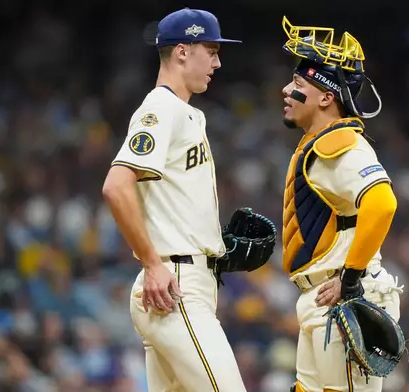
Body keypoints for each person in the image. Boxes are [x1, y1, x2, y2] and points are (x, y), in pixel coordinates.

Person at [101, 8, 247, 392]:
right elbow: (116, 186)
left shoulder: (185, 112)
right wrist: (151, 263)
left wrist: (216, 247)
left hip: (186, 278)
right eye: (210, 50)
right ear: (182, 51)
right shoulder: (161, 108)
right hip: (174, 283)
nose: (217, 62)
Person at [279, 17, 405, 392]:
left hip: (345, 298)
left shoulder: (341, 144)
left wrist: (350, 279)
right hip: (322, 299)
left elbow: (382, 203)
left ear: (326, 97)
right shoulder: (318, 143)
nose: (286, 90)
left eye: (298, 84)